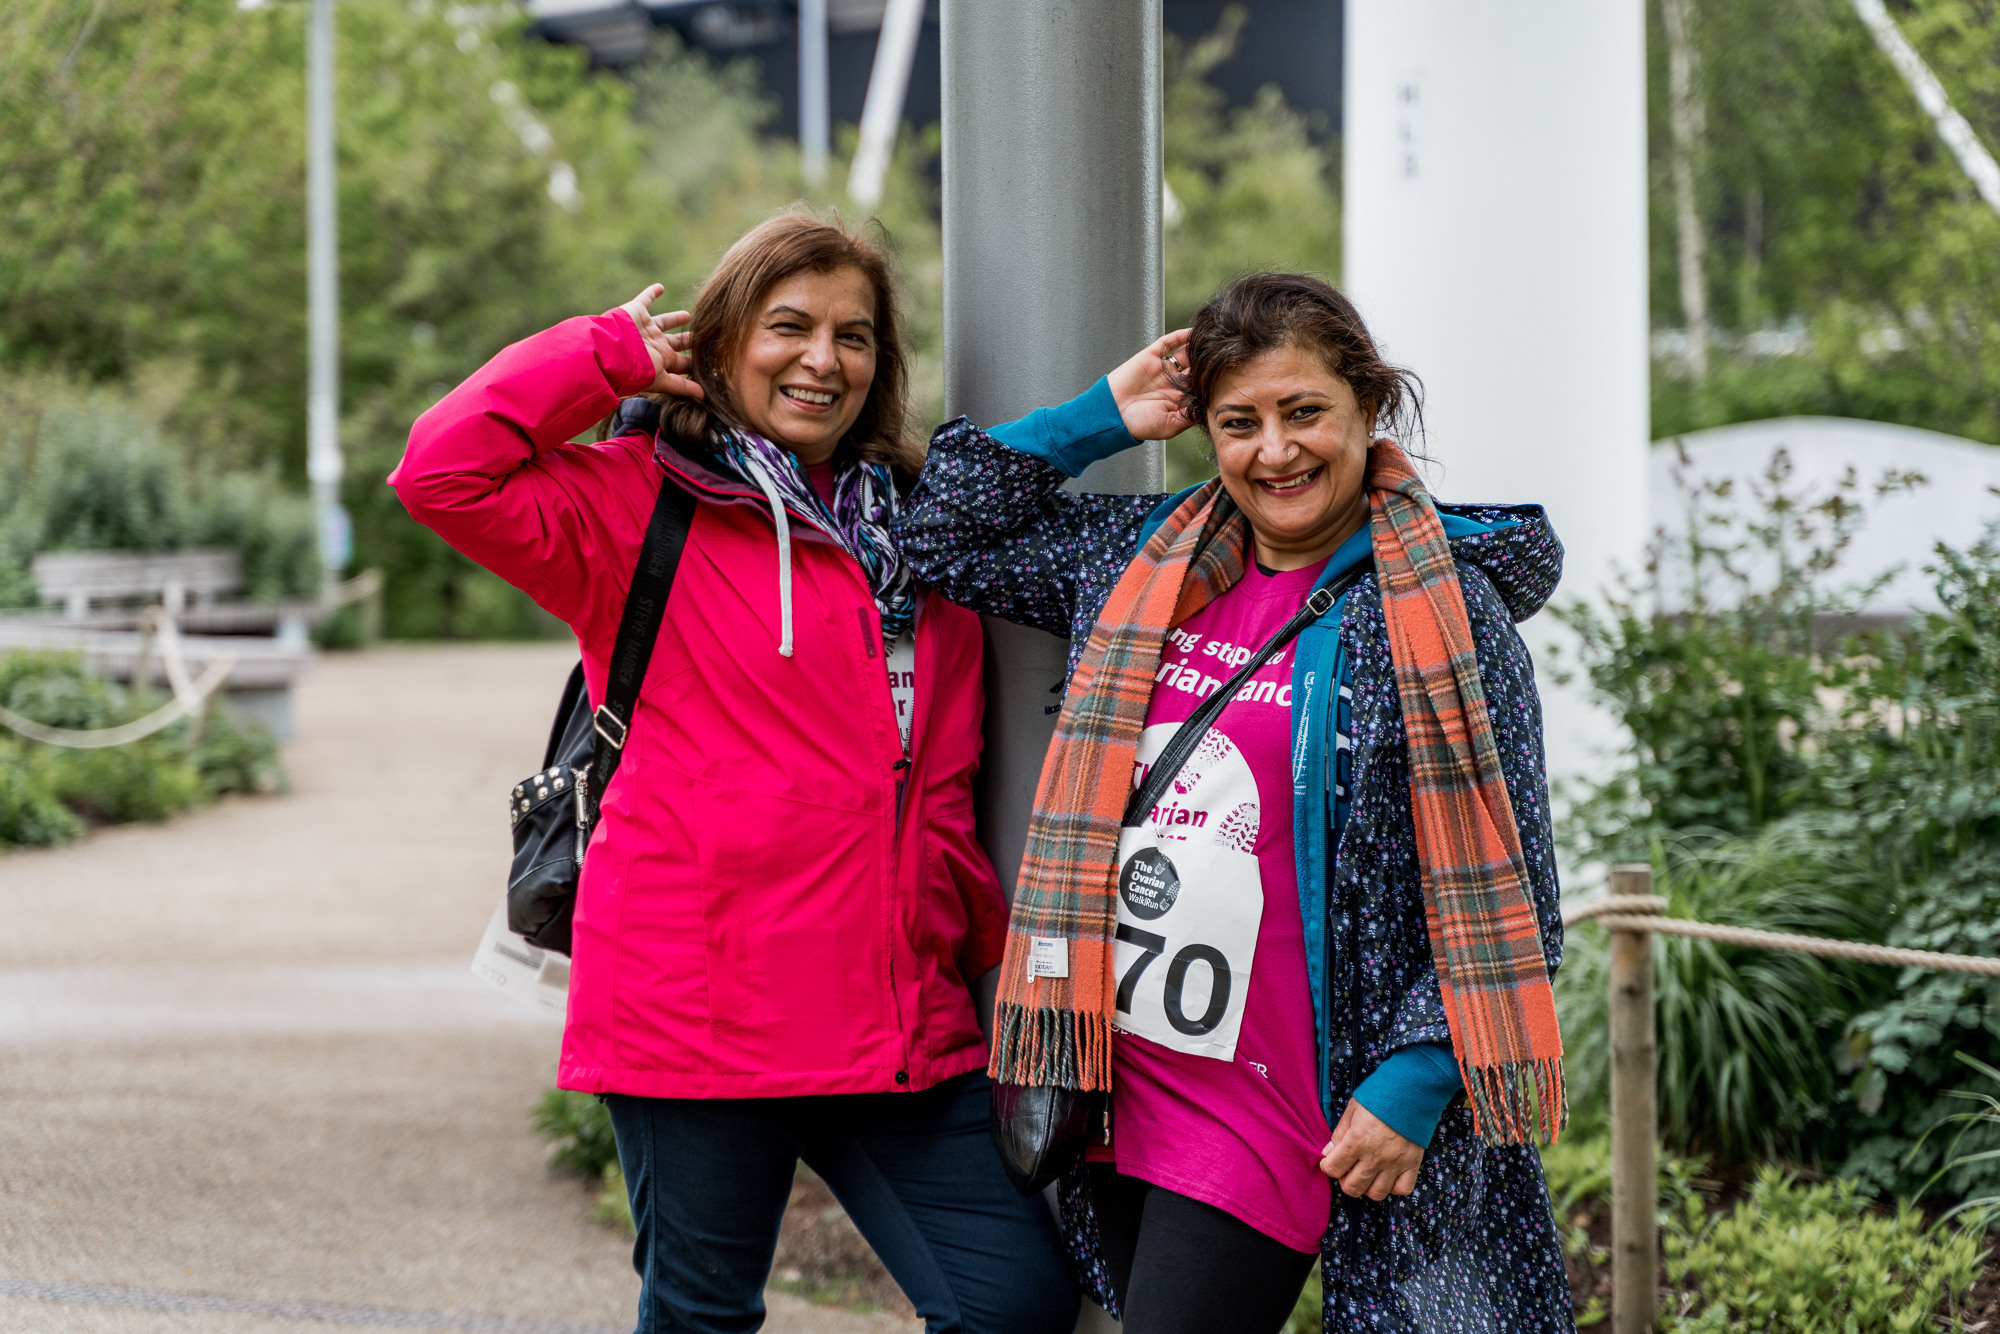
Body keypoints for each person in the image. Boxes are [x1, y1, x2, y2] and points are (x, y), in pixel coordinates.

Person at [390, 212, 1078, 1334]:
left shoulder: (918, 529)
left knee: (1010, 1301)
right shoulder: (630, 502)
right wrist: (599, 355)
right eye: (788, 326)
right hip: (698, 1006)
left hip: (900, 1004)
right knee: (701, 1318)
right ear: (720, 344)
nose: (823, 358)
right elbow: (440, 471)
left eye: (853, 335)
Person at [894, 272, 1576, 1334]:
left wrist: (1418, 1072)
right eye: (1237, 421)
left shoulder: (1443, 611)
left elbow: (1514, 879)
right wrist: (1098, 417)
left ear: (1366, 406)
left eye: (1303, 411)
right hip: (1114, 1071)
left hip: (1281, 1094)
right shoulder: (1136, 557)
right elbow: (938, 536)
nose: (1275, 451)